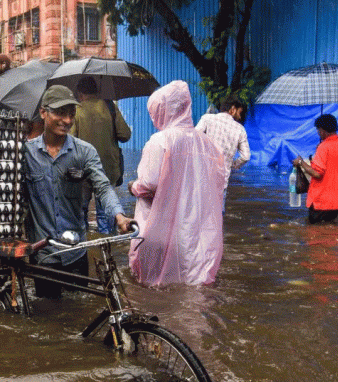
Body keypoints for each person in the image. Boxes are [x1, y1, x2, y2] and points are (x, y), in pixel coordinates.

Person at [22, 85, 134, 298]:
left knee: (78, 311)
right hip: (43, 254)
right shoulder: (25, 153)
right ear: (43, 112)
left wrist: (119, 217)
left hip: (75, 251)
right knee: (48, 315)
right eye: (60, 113)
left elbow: (102, 187)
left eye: (71, 114)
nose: (67, 120)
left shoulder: (84, 151)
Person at [128, 81, 226, 286]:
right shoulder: (207, 143)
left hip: (162, 226)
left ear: (163, 111)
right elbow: (218, 181)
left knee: (156, 284)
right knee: (194, 283)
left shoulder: (160, 141)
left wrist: (133, 187)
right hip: (198, 226)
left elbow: (149, 184)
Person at [70, 76, 132, 234]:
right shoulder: (109, 106)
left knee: (81, 213)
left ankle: (84, 249)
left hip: (82, 171)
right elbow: (125, 135)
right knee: (106, 213)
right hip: (108, 169)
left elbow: (70, 142)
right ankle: (107, 250)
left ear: (80, 93)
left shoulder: (76, 110)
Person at [292, 114, 338, 224]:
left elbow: (317, 174)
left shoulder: (324, 147)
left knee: (314, 233)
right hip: (337, 201)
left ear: (323, 130)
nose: (318, 133)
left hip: (321, 200)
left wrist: (300, 162)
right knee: (329, 230)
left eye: (318, 130)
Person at [196, 95, 250, 210]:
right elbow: (246, 157)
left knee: (198, 216)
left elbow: (193, 139)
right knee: (217, 218)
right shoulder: (239, 129)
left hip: (201, 177)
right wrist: (233, 165)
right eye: (239, 113)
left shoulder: (207, 119)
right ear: (233, 109)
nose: (240, 117)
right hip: (221, 181)